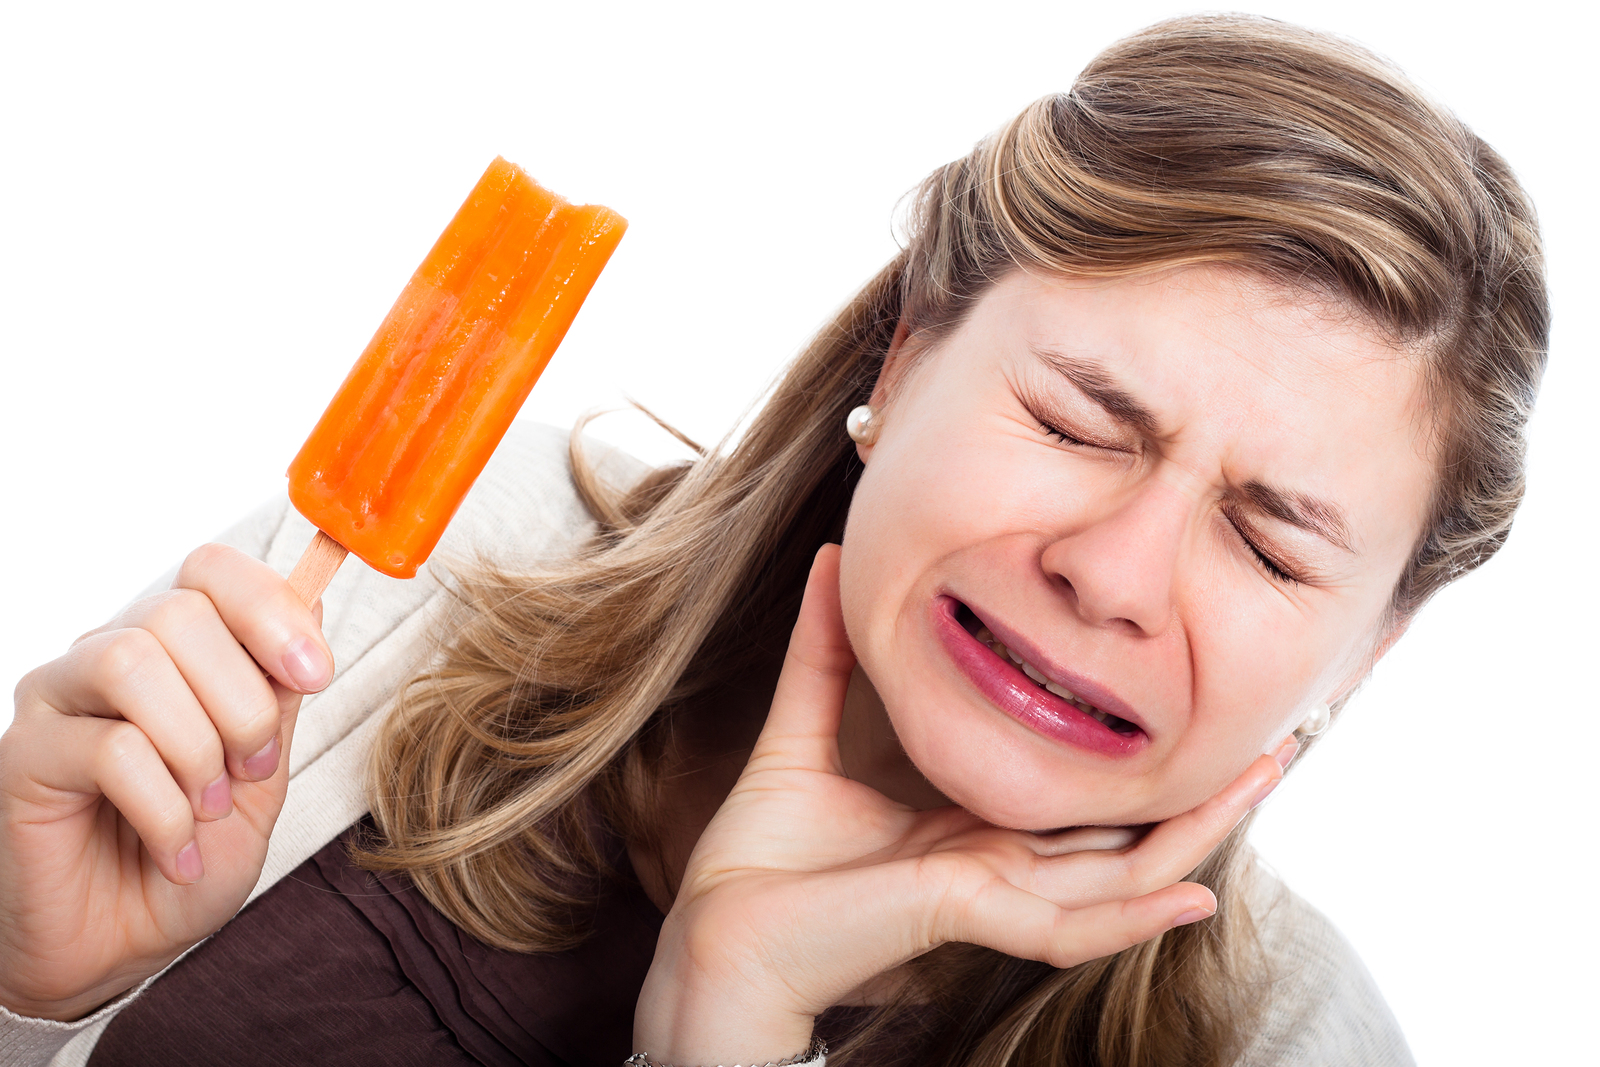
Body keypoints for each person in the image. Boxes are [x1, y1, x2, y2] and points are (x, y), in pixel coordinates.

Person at [0, 13, 1547, 1067]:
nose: (1115, 573)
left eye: (1273, 548)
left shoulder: (1289, 1044)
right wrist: (28, 992)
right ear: (908, 353)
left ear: (1374, 641)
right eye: (1079, 421)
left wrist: (721, 1022)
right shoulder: (435, 562)